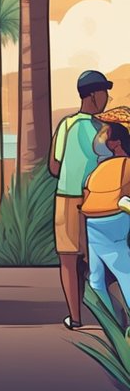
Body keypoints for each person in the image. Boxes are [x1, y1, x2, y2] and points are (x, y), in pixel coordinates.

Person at [50, 69, 113, 330]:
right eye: (104, 92)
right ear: (93, 95)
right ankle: (109, 317)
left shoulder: (67, 124)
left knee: (69, 258)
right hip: (99, 200)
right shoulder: (109, 129)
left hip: (67, 196)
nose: (107, 97)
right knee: (101, 257)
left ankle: (75, 317)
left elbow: (54, 165)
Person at [81, 120, 130, 325]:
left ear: (116, 143)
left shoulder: (125, 164)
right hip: (95, 223)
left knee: (122, 273)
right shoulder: (102, 167)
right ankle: (115, 324)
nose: (100, 139)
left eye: (104, 135)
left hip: (111, 221)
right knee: (96, 280)